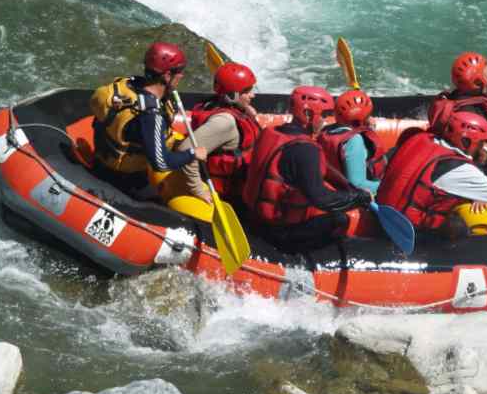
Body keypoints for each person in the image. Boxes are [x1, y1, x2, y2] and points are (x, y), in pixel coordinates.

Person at [242, 86, 372, 253]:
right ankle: (312, 263)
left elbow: (321, 169)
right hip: (280, 234)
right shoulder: (305, 149)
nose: (325, 121)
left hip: (254, 218)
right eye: (324, 115)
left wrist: (348, 187)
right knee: (340, 219)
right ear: (309, 114)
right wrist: (359, 198)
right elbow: (322, 199)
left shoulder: (270, 132)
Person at [89, 41, 207, 195]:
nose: (181, 75)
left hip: (101, 163)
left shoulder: (130, 84)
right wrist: (192, 154)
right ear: (166, 76)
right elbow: (161, 163)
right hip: (123, 182)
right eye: (179, 72)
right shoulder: (152, 116)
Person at [168, 62, 261, 204]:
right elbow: (186, 150)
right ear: (232, 95)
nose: (252, 95)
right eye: (247, 91)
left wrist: (248, 111)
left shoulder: (216, 103)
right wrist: (198, 189)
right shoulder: (224, 122)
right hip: (226, 192)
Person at [317, 89, 386, 195]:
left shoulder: (326, 131)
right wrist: (387, 185)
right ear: (360, 119)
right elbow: (357, 184)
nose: (372, 118)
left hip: (332, 187)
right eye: (368, 116)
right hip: (352, 198)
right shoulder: (354, 141)